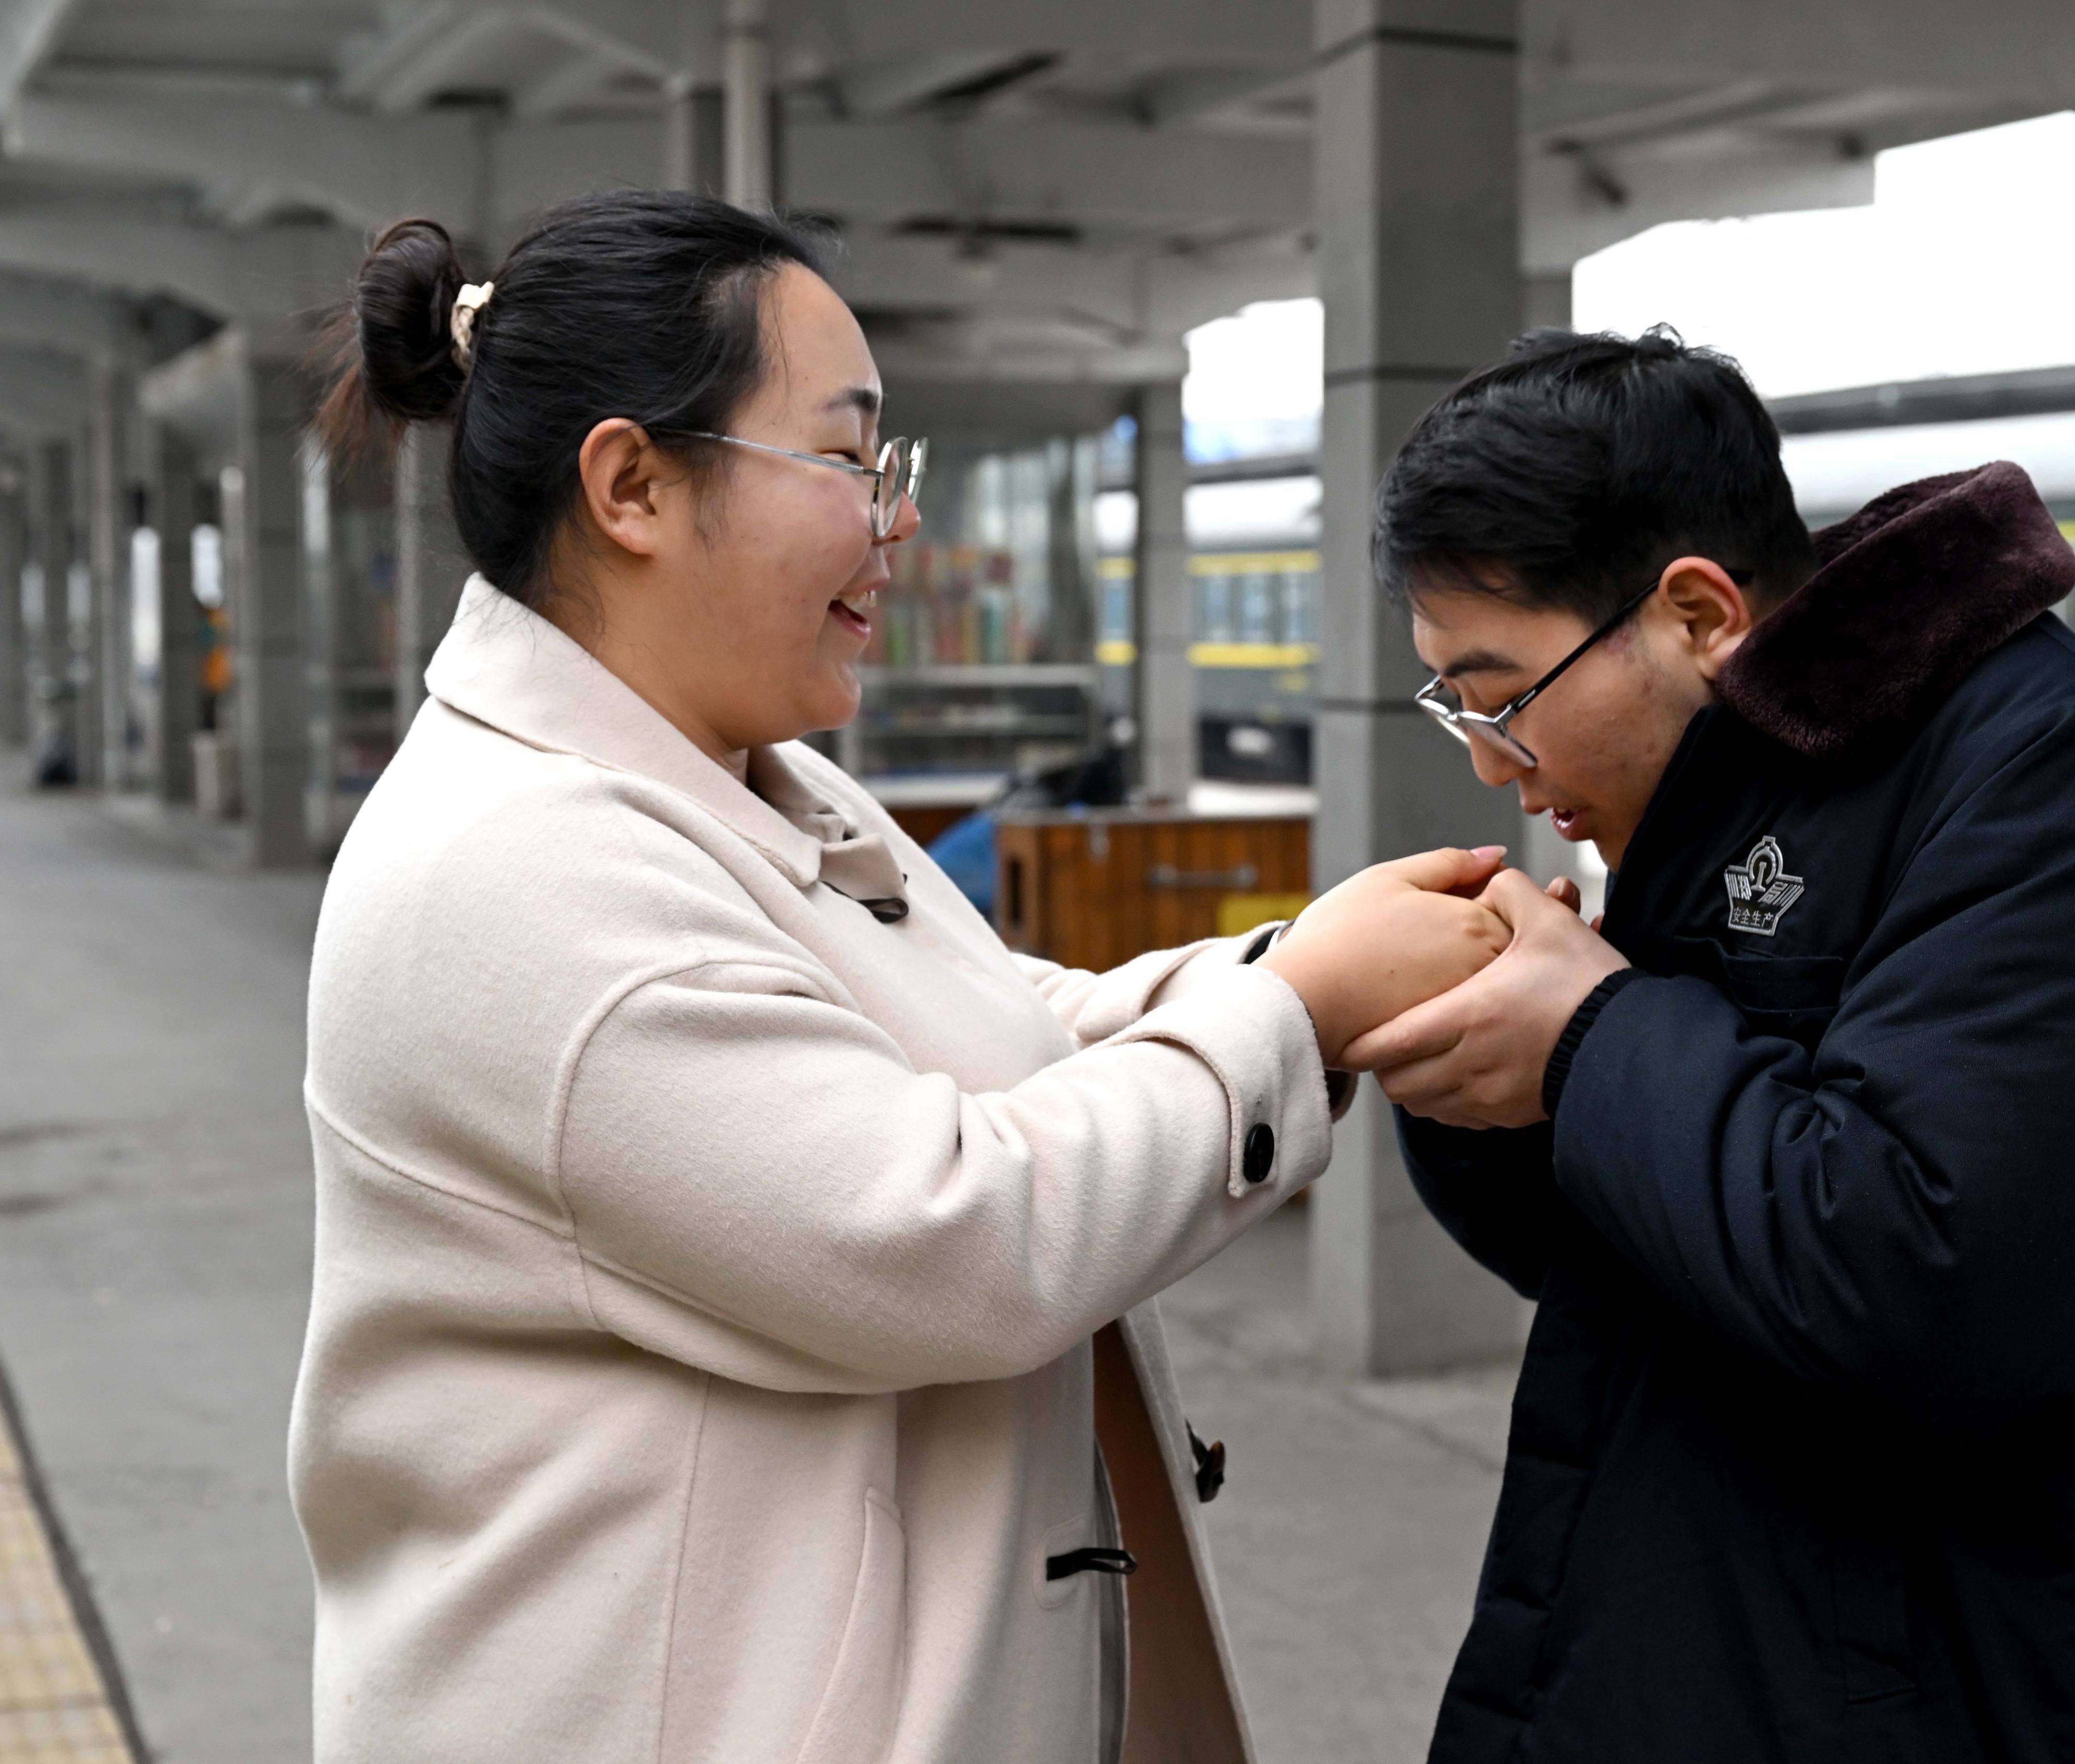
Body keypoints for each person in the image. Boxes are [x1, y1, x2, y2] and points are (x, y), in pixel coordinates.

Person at [292, 190, 1511, 1764]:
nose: (897, 518)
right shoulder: (514, 876)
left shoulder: (733, 772)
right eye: (850, 458)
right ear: (633, 485)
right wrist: (1296, 1014)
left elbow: (1001, 1021)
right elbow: (947, 1235)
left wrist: (1296, 967)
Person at [1343, 328, 2075, 1762]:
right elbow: (1646, 1256)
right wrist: (1473, 1066)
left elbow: (1925, 1287)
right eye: (1459, 706)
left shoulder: (2064, 780)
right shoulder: (1735, 795)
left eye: (1504, 696)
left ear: (1697, 613)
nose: (1490, 761)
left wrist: (1591, 1035)